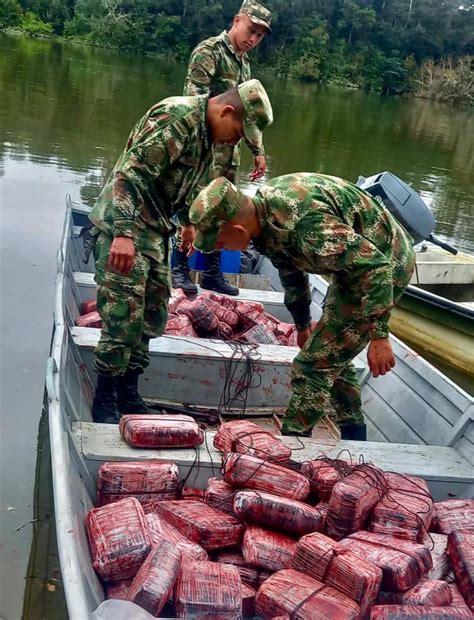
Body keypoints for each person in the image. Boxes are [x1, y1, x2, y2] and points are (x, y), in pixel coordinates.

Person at [87, 80, 273, 423]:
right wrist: (123, 234)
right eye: (238, 132)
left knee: (151, 314)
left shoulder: (208, 134)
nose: (236, 141)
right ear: (227, 111)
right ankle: (105, 398)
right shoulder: (177, 118)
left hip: (156, 229)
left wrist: (188, 223)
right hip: (127, 224)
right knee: (122, 317)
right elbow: (130, 174)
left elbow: (191, 183)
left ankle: (128, 391)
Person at [189, 173, 416, 440]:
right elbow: (291, 272)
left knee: (312, 366)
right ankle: (356, 437)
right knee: (329, 355)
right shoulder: (264, 217)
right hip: (354, 264)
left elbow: (376, 268)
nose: (223, 250)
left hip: (386, 265)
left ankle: (291, 447)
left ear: (238, 230)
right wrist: (301, 323)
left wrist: (379, 335)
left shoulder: (306, 228)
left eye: (220, 244)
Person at [172, 0, 272, 296]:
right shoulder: (209, 51)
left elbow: (248, 114)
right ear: (237, 20)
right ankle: (179, 268)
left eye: (260, 36)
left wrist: (258, 150)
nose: (253, 39)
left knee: (224, 209)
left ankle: (212, 274)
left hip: (229, 153)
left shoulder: (244, 64)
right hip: (203, 149)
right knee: (194, 206)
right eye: (251, 30)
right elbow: (194, 104)